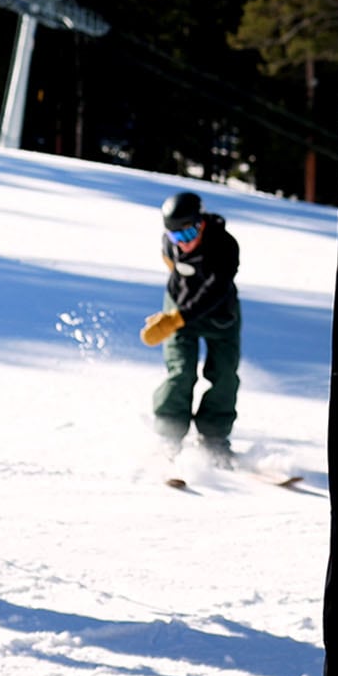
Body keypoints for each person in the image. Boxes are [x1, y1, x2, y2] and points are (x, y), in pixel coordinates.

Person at [144, 190, 243, 468]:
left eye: (188, 235)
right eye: (176, 237)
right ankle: (169, 435)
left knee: (224, 374)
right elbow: (175, 272)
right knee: (181, 371)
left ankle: (214, 438)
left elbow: (214, 290)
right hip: (179, 307)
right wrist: (171, 313)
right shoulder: (170, 243)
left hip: (218, 312)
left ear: (201, 223)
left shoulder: (224, 246)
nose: (182, 244)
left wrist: (177, 318)